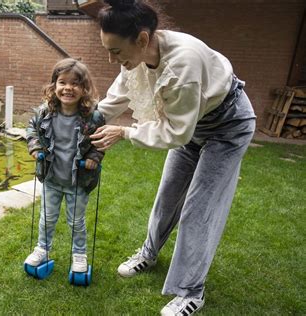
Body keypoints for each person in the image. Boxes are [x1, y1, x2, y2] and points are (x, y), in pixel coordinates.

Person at [89, 0, 256, 314]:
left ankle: (192, 291)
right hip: (192, 126)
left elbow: (176, 133)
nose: (112, 59)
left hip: (227, 127)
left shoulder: (183, 66)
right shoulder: (137, 57)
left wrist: (123, 132)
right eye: (108, 50)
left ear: (141, 39)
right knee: (168, 195)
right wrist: (88, 121)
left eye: (116, 51)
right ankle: (148, 255)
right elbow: (117, 96)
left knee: (199, 208)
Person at [24, 58, 105, 274]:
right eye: (62, 82)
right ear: (54, 86)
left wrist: (94, 158)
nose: (68, 88)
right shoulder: (44, 113)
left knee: (76, 221)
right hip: (51, 179)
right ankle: (42, 249)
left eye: (75, 83)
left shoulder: (93, 117)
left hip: (78, 181)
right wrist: (35, 148)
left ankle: (79, 254)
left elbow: (100, 142)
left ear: (84, 89)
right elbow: (31, 130)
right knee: (47, 219)